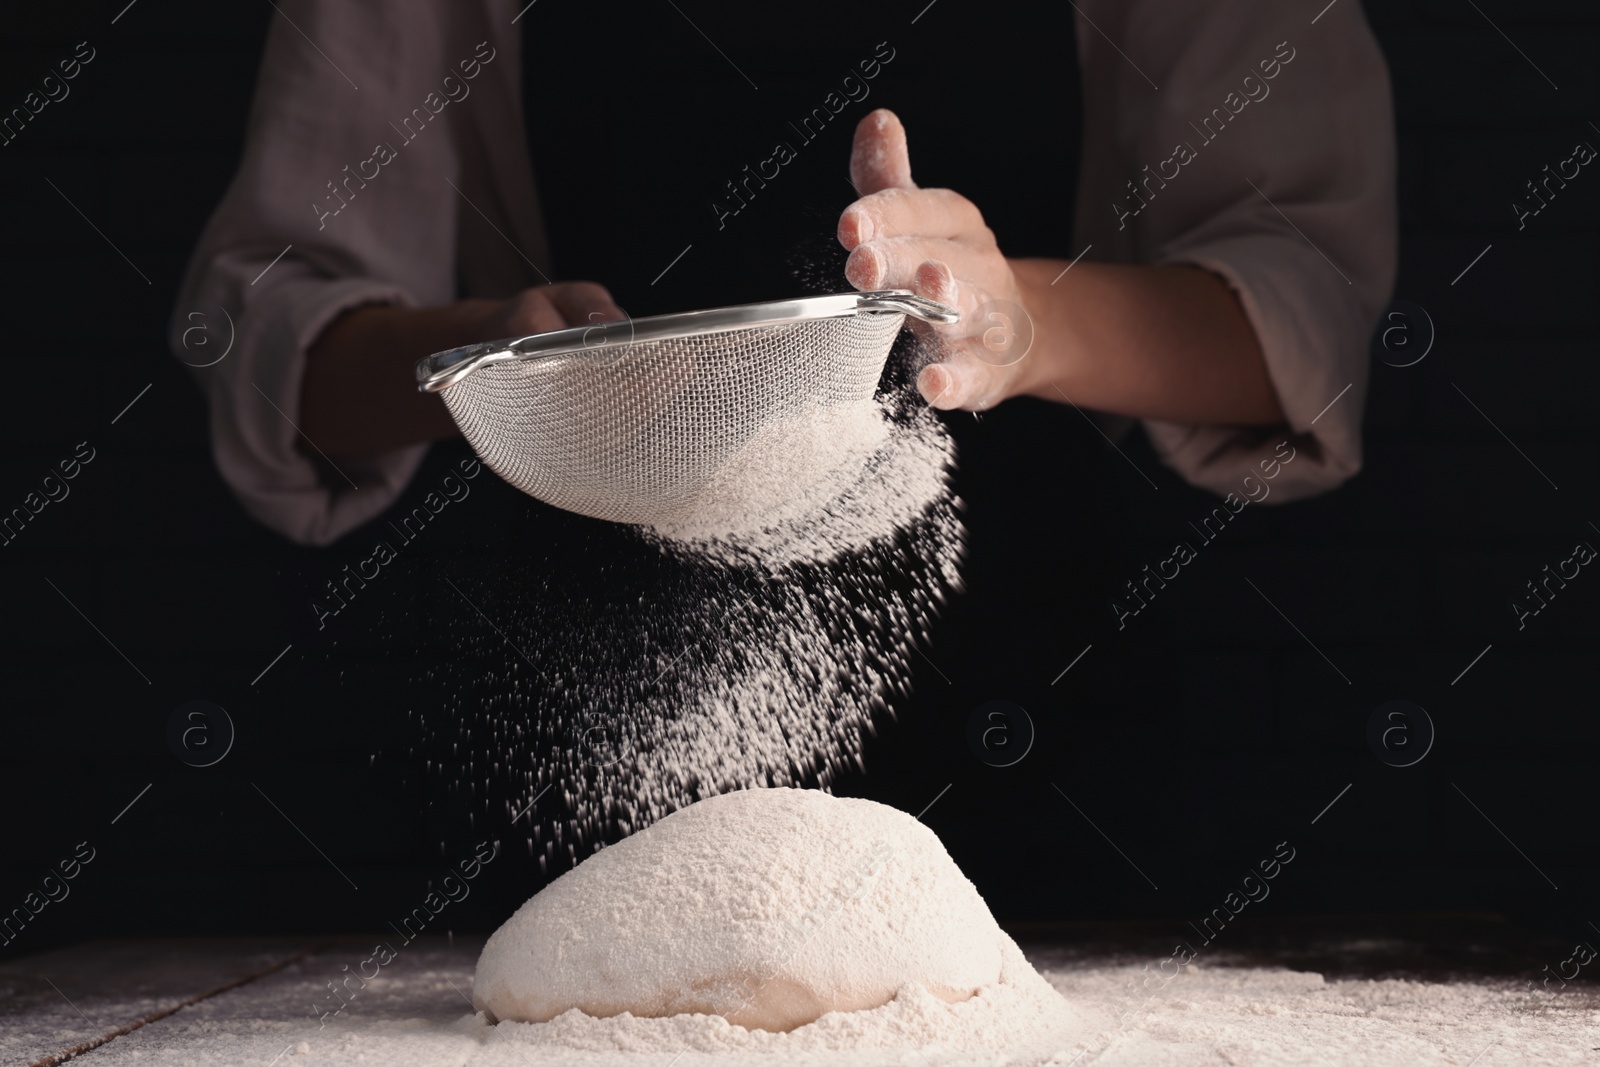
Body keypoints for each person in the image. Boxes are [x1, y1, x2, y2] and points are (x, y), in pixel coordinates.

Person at [171, 1, 1394, 546]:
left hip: (1053, 715)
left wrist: (1020, 325)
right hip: (587, 683)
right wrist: (506, 352)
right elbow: (272, 350)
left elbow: (1306, 320)